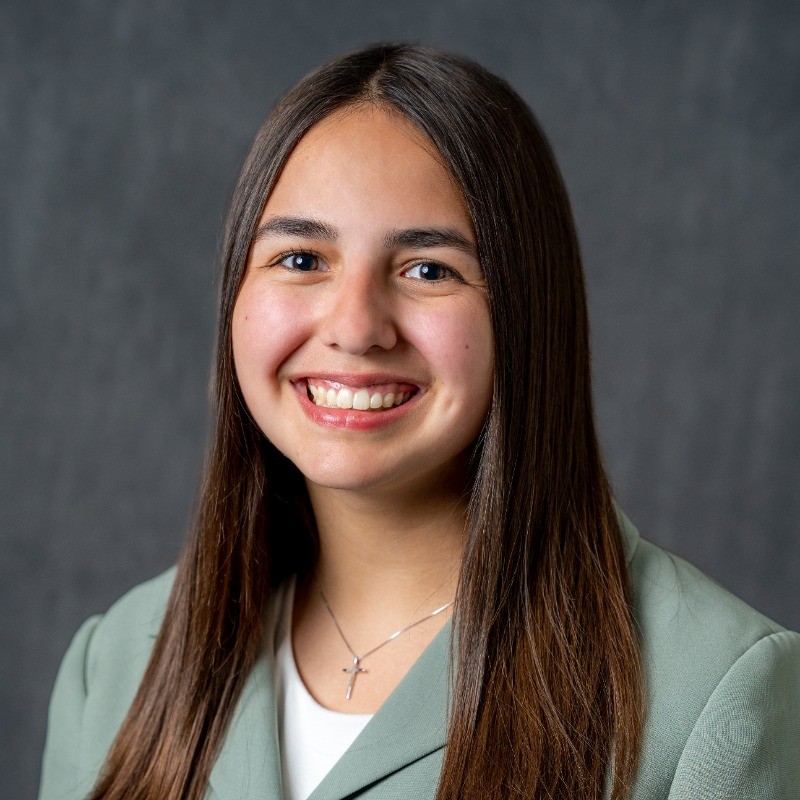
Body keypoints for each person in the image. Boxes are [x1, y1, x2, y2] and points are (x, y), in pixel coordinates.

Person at [38, 44, 799, 800]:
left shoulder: (716, 696)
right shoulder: (114, 667)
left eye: (429, 270)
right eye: (302, 259)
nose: (356, 327)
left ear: (528, 313)